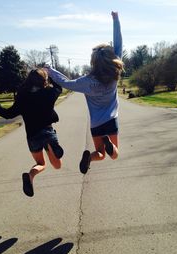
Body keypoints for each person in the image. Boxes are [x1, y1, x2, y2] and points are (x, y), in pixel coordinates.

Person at [44, 11, 123, 174]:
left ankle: (89, 157)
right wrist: (116, 20)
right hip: (111, 120)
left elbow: (65, 82)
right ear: (111, 58)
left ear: (93, 61)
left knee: (99, 153)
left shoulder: (86, 82)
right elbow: (119, 43)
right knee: (113, 154)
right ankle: (111, 145)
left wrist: (49, 70)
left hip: (96, 124)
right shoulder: (115, 72)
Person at [0, 68, 64, 197]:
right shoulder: (49, 93)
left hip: (32, 136)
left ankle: (30, 176)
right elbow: (59, 88)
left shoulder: (23, 96)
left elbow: (8, 114)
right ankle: (52, 146)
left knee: (41, 164)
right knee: (57, 165)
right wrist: (50, 74)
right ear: (43, 80)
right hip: (47, 131)